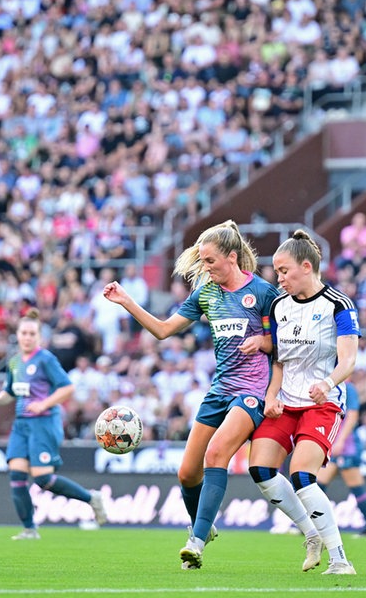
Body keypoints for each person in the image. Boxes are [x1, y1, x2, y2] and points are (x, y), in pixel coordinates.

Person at [102, 221, 281, 569]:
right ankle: (205, 524)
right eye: (202, 261)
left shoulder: (262, 292)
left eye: (211, 261)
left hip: (252, 391)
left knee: (216, 454)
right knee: (186, 474)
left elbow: (281, 345)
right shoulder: (206, 294)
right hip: (219, 389)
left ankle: (195, 542)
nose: (206, 268)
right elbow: (164, 330)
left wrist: (262, 341)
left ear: (232, 257)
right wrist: (127, 301)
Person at [250, 229, 360, 575]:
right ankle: (310, 532)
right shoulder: (280, 307)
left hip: (322, 403)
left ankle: (340, 558)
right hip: (287, 402)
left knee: (302, 476)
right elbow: (280, 361)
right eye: (277, 272)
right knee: (261, 469)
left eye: (284, 271)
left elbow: (349, 360)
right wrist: (270, 396)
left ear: (307, 266)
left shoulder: (338, 305)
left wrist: (327, 383)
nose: (278, 278)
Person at [0, 309, 108, 540]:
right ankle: (30, 529)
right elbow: (11, 392)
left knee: (43, 479)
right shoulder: (14, 363)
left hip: (44, 422)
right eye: (24, 333)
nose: (28, 337)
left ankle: (91, 498)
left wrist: (44, 404)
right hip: (22, 425)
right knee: (17, 476)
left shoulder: (46, 359)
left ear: (39, 337)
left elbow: (67, 388)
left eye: (32, 333)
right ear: (18, 335)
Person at [317, 380, 366, 537]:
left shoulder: (348, 388)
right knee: (318, 486)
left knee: (356, 485)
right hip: (333, 444)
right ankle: (309, 526)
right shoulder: (330, 387)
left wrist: (341, 441)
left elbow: (352, 415)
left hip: (347, 446)